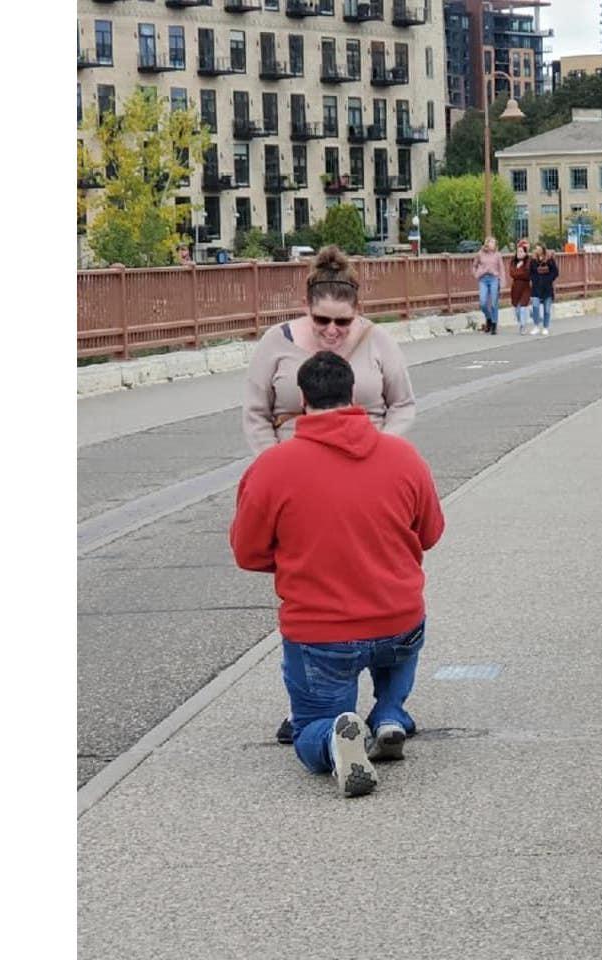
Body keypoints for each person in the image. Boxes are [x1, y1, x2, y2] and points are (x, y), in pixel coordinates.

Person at [230, 351, 445, 798]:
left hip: (321, 633)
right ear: (354, 395)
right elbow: (430, 533)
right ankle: (389, 714)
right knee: (399, 647)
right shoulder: (403, 457)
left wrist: (303, 558)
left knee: (310, 725)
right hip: (398, 621)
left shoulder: (271, 469)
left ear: (302, 399)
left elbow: (248, 553)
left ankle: (333, 740)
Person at [241, 245, 417, 745]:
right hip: (298, 478)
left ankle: (363, 714)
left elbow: (402, 404)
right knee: (311, 590)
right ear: (307, 307)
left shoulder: (378, 342)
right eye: (323, 321)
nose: (333, 333)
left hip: (370, 467)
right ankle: (320, 708)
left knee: (373, 575)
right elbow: (256, 411)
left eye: (343, 321)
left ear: (357, 311)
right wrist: (273, 463)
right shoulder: (276, 344)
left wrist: (384, 451)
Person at [471, 236, 507, 335]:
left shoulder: (497, 255)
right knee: (483, 302)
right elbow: (474, 265)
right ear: (487, 243)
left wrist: (502, 281)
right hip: (483, 279)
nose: (493, 244)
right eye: (491, 242)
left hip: (494, 279)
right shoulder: (480, 253)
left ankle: (494, 324)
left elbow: (502, 268)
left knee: (494, 302)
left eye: (494, 243)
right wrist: (476, 274)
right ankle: (489, 318)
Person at [529, 243, 559, 336]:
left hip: (547, 288)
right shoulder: (533, 260)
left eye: (538, 248)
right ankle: (536, 326)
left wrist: (549, 279)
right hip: (536, 287)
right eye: (536, 248)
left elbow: (555, 272)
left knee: (546, 309)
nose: (537, 250)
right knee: (535, 307)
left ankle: (545, 327)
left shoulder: (549, 259)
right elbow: (530, 272)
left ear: (543, 249)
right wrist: (534, 280)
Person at [508, 239, 532, 335]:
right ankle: (521, 321)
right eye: (518, 251)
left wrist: (518, 272)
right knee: (517, 310)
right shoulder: (513, 261)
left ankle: (523, 326)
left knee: (523, 307)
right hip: (515, 288)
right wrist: (518, 269)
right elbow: (512, 273)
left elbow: (527, 275)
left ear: (525, 253)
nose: (519, 253)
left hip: (525, 287)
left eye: (521, 251)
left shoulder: (528, 262)